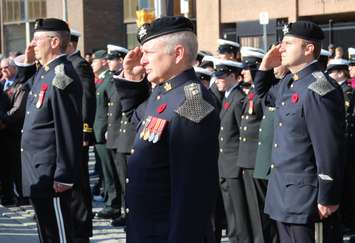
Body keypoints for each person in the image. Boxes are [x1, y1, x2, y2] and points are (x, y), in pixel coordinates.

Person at [114, 16, 220, 243]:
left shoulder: (193, 101)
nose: (142, 61)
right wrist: (132, 79)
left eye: (149, 53)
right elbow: (139, 122)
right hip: (146, 229)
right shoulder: (164, 93)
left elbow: (192, 190)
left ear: (178, 53)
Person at [254, 20, 345, 243]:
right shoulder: (289, 83)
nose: (280, 48)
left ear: (308, 48)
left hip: (304, 196)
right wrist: (265, 66)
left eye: (287, 43)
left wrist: (328, 195)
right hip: (283, 193)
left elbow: (328, 146)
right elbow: (263, 95)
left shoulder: (319, 87)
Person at [16, 18, 82, 242]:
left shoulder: (61, 76)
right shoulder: (45, 73)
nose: (32, 44)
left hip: (52, 172)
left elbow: (67, 128)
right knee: (46, 232)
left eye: (36, 39)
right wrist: (26, 63)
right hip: (38, 169)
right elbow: (22, 90)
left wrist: (64, 173)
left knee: (59, 234)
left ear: (54, 42)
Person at [213, 58, 247, 243]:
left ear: (234, 77)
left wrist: (240, 163)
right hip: (225, 163)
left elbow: (243, 135)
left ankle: (239, 239)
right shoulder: (228, 98)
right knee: (229, 208)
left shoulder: (238, 98)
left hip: (233, 164)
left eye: (222, 77)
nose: (218, 80)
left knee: (237, 209)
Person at [66, 29, 95, 243]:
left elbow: (87, 98)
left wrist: (86, 129)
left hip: (78, 132)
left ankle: (82, 228)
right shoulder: (67, 65)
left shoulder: (79, 65)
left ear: (70, 44)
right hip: (70, 131)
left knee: (80, 182)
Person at [0, 58, 30, 206]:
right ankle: (7, 196)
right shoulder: (2, 84)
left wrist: (4, 120)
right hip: (3, 132)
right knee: (4, 166)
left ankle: (22, 195)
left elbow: (18, 109)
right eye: (1, 69)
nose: (3, 71)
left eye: (6, 67)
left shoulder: (21, 85)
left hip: (14, 131)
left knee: (17, 166)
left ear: (14, 68)